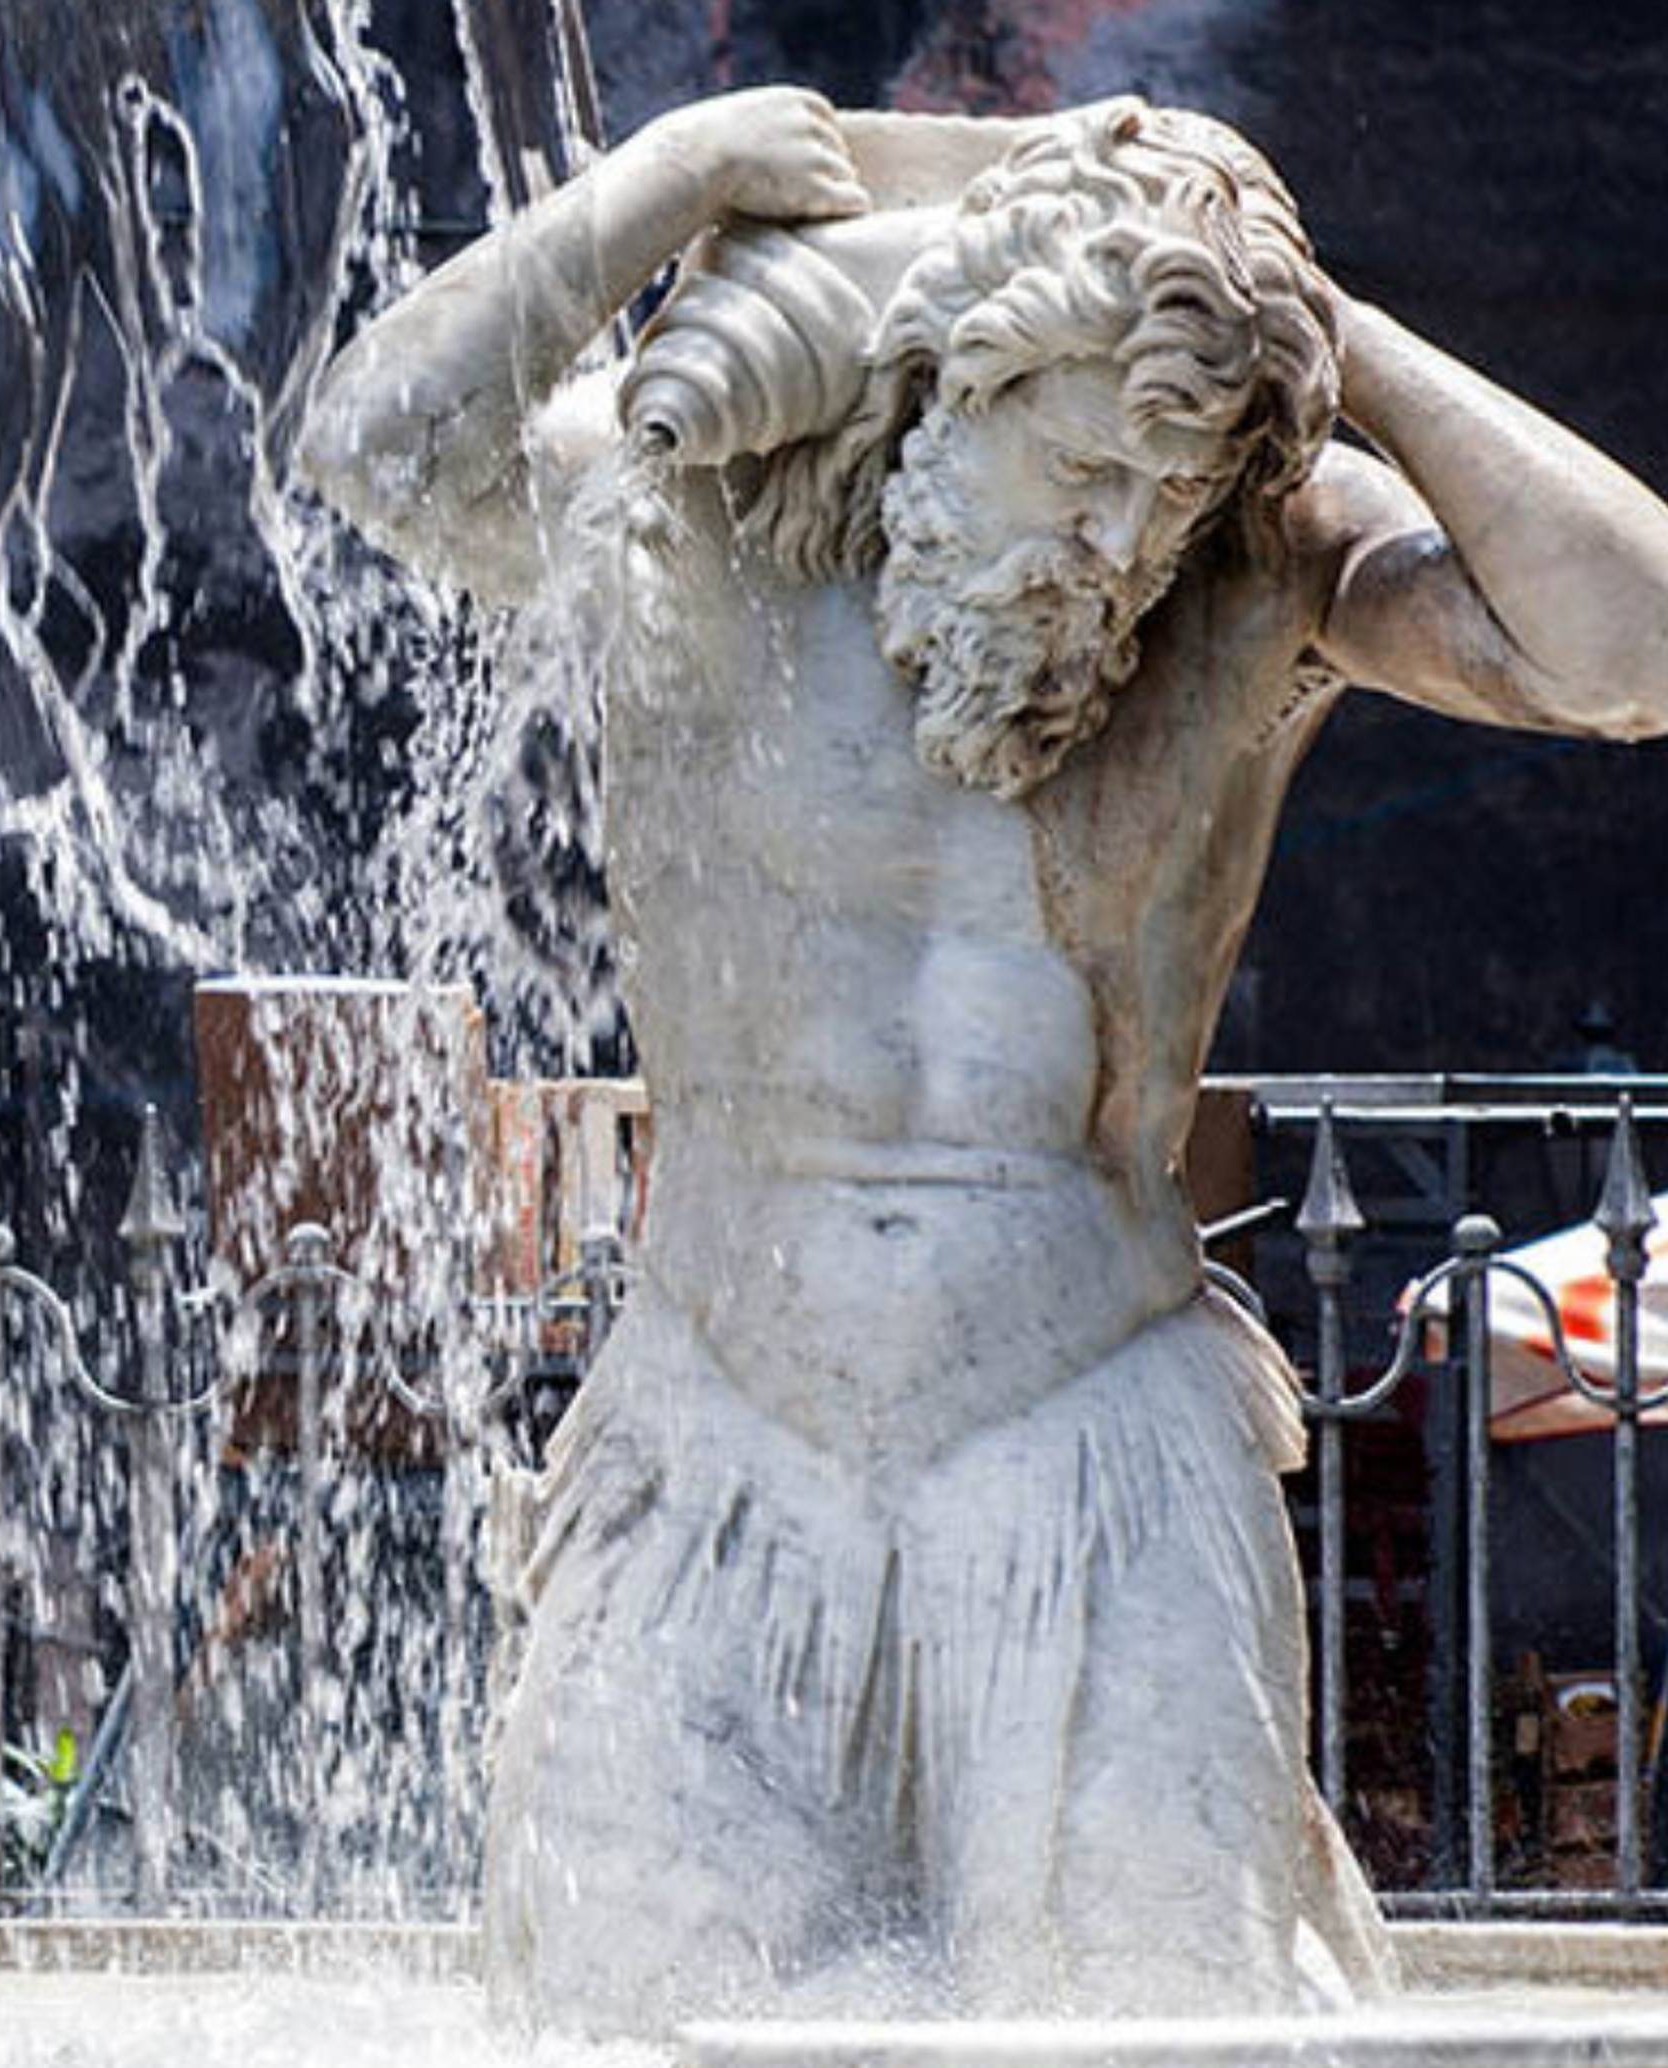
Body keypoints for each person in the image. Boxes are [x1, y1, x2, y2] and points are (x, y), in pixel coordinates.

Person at [295, 90, 1668, 2029]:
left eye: (1163, 495)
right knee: (627, 2014)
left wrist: (1325, 330)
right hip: (721, 1438)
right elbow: (373, 446)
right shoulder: (689, 510)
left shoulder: (1260, 560)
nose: (1117, 541)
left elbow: (1639, 642)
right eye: (1083, 459)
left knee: (1140, 2013)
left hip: (1089, 1438)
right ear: (962, 366)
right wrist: (663, 183)